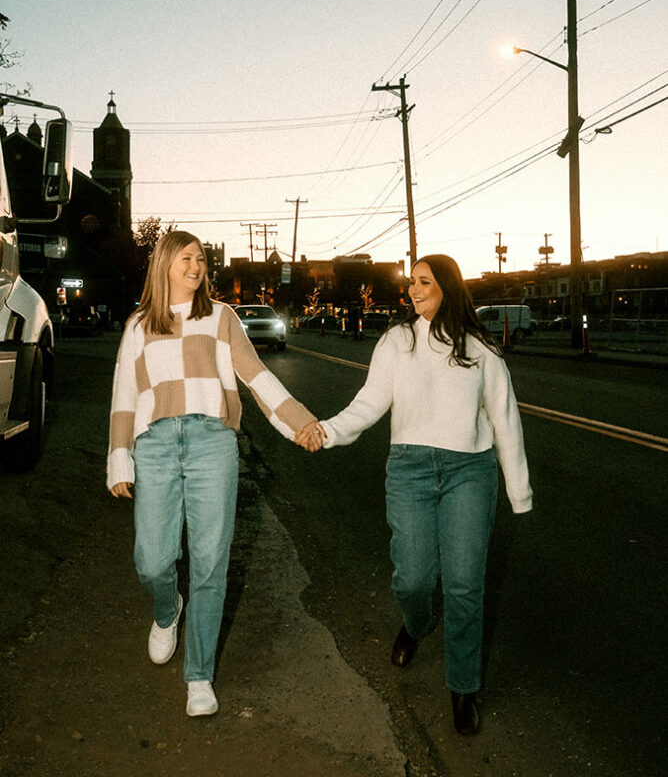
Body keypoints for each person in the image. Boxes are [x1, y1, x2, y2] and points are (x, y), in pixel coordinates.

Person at [296, 254, 532, 736]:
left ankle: (463, 689)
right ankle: (416, 621)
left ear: (447, 286)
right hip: (410, 470)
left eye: (424, 282)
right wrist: (328, 429)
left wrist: (518, 489)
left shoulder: (480, 347)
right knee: (413, 578)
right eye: (411, 283)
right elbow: (369, 402)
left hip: (470, 470)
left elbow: (505, 419)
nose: (414, 290)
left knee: (466, 586)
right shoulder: (396, 342)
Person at [107, 230, 316, 717]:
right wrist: (120, 456)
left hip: (211, 443)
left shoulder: (221, 317)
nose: (196, 266)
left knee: (209, 565)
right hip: (156, 445)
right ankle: (167, 609)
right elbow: (122, 397)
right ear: (164, 265)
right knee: (153, 562)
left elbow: (255, 373)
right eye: (186, 258)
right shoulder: (139, 324)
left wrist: (299, 421)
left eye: (201, 259)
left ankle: (199, 676)